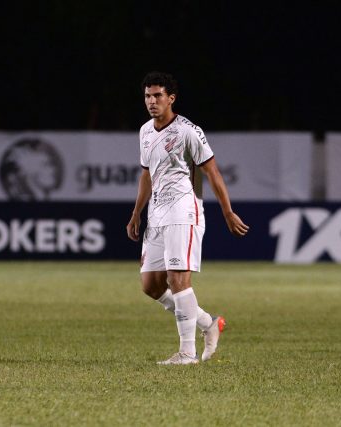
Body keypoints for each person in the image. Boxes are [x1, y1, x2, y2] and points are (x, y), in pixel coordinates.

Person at [126, 72, 249, 365]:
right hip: (156, 214)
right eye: (147, 96)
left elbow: (213, 173)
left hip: (184, 211)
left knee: (178, 278)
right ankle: (208, 323)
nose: (151, 101)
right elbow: (147, 174)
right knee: (151, 286)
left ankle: (186, 353)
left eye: (157, 96)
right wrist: (136, 213)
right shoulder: (145, 131)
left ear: (171, 98)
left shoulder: (188, 132)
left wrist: (227, 211)